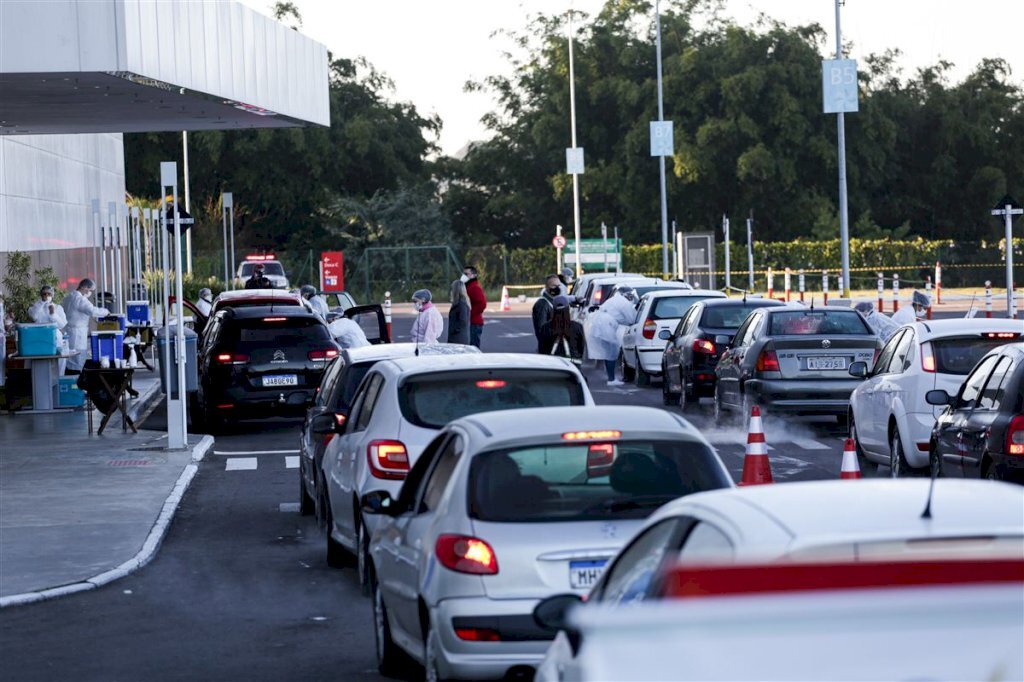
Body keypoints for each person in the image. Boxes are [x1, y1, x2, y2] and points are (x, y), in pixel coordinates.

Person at [586, 285, 638, 387]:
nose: (631, 298)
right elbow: (632, 319)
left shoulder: (614, 299)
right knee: (612, 351)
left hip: (600, 322)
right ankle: (611, 379)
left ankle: (611, 377)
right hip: (607, 325)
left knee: (608, 352)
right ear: (626, 295)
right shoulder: (624, 303)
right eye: (630, 295)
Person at [62, 278, 109, 373]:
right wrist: (106, 312)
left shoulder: (69, 297)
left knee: (69, 360)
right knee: (77, 361)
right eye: (90, 290)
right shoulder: (80, 299)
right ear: (84, 287)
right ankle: (75, 380)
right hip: (77, 334)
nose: (90, 293)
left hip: (68, 332)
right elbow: (92, 311)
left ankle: (69, 378)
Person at [539, 295, 585, 366]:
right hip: (573, 364)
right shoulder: (577, 327)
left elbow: (542, 350)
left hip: (551, 364)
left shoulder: (545, 328)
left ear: (553, 310)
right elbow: (581, 348)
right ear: (568, 309)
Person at [531, 274, 563, 351]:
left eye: (559, 286)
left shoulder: (555, 301)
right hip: (549, 348)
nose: (557, 288)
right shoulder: (542, 304)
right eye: (554, 286)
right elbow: (542, 330)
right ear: (546, 287)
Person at [462, 265, 486, 348]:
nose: (464, 276)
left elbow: (482, 304)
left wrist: (470, 314)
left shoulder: (474, 287)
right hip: (471, 321)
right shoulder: (468, 286)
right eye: (463, 273)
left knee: (474, 347)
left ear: (473, 275)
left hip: (474, 322)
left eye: (466, 274)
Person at [447, 279, 471, 344]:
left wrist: (453, 330)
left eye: (452, 289)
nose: (451, 291)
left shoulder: (461, 304)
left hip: (458, 338)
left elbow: (463, 321)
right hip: (458, 337)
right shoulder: (461, 303)